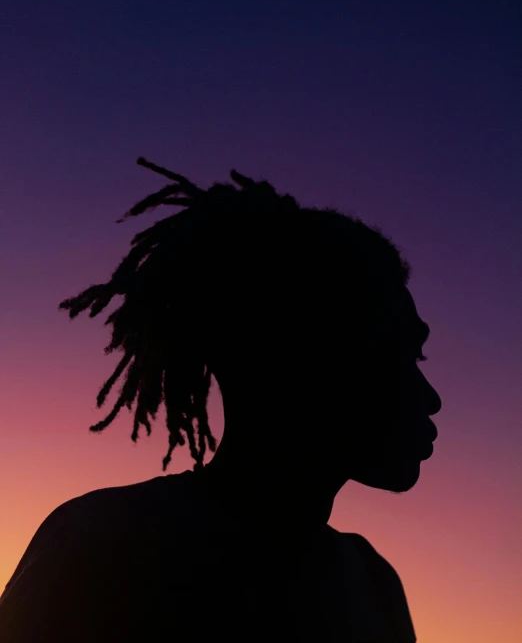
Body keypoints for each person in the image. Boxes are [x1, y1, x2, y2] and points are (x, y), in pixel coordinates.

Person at [0, 158, 441, 642]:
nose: (431, 397)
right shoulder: (102, 544)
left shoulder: (373, 582)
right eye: (398, 354)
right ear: (296, 354)